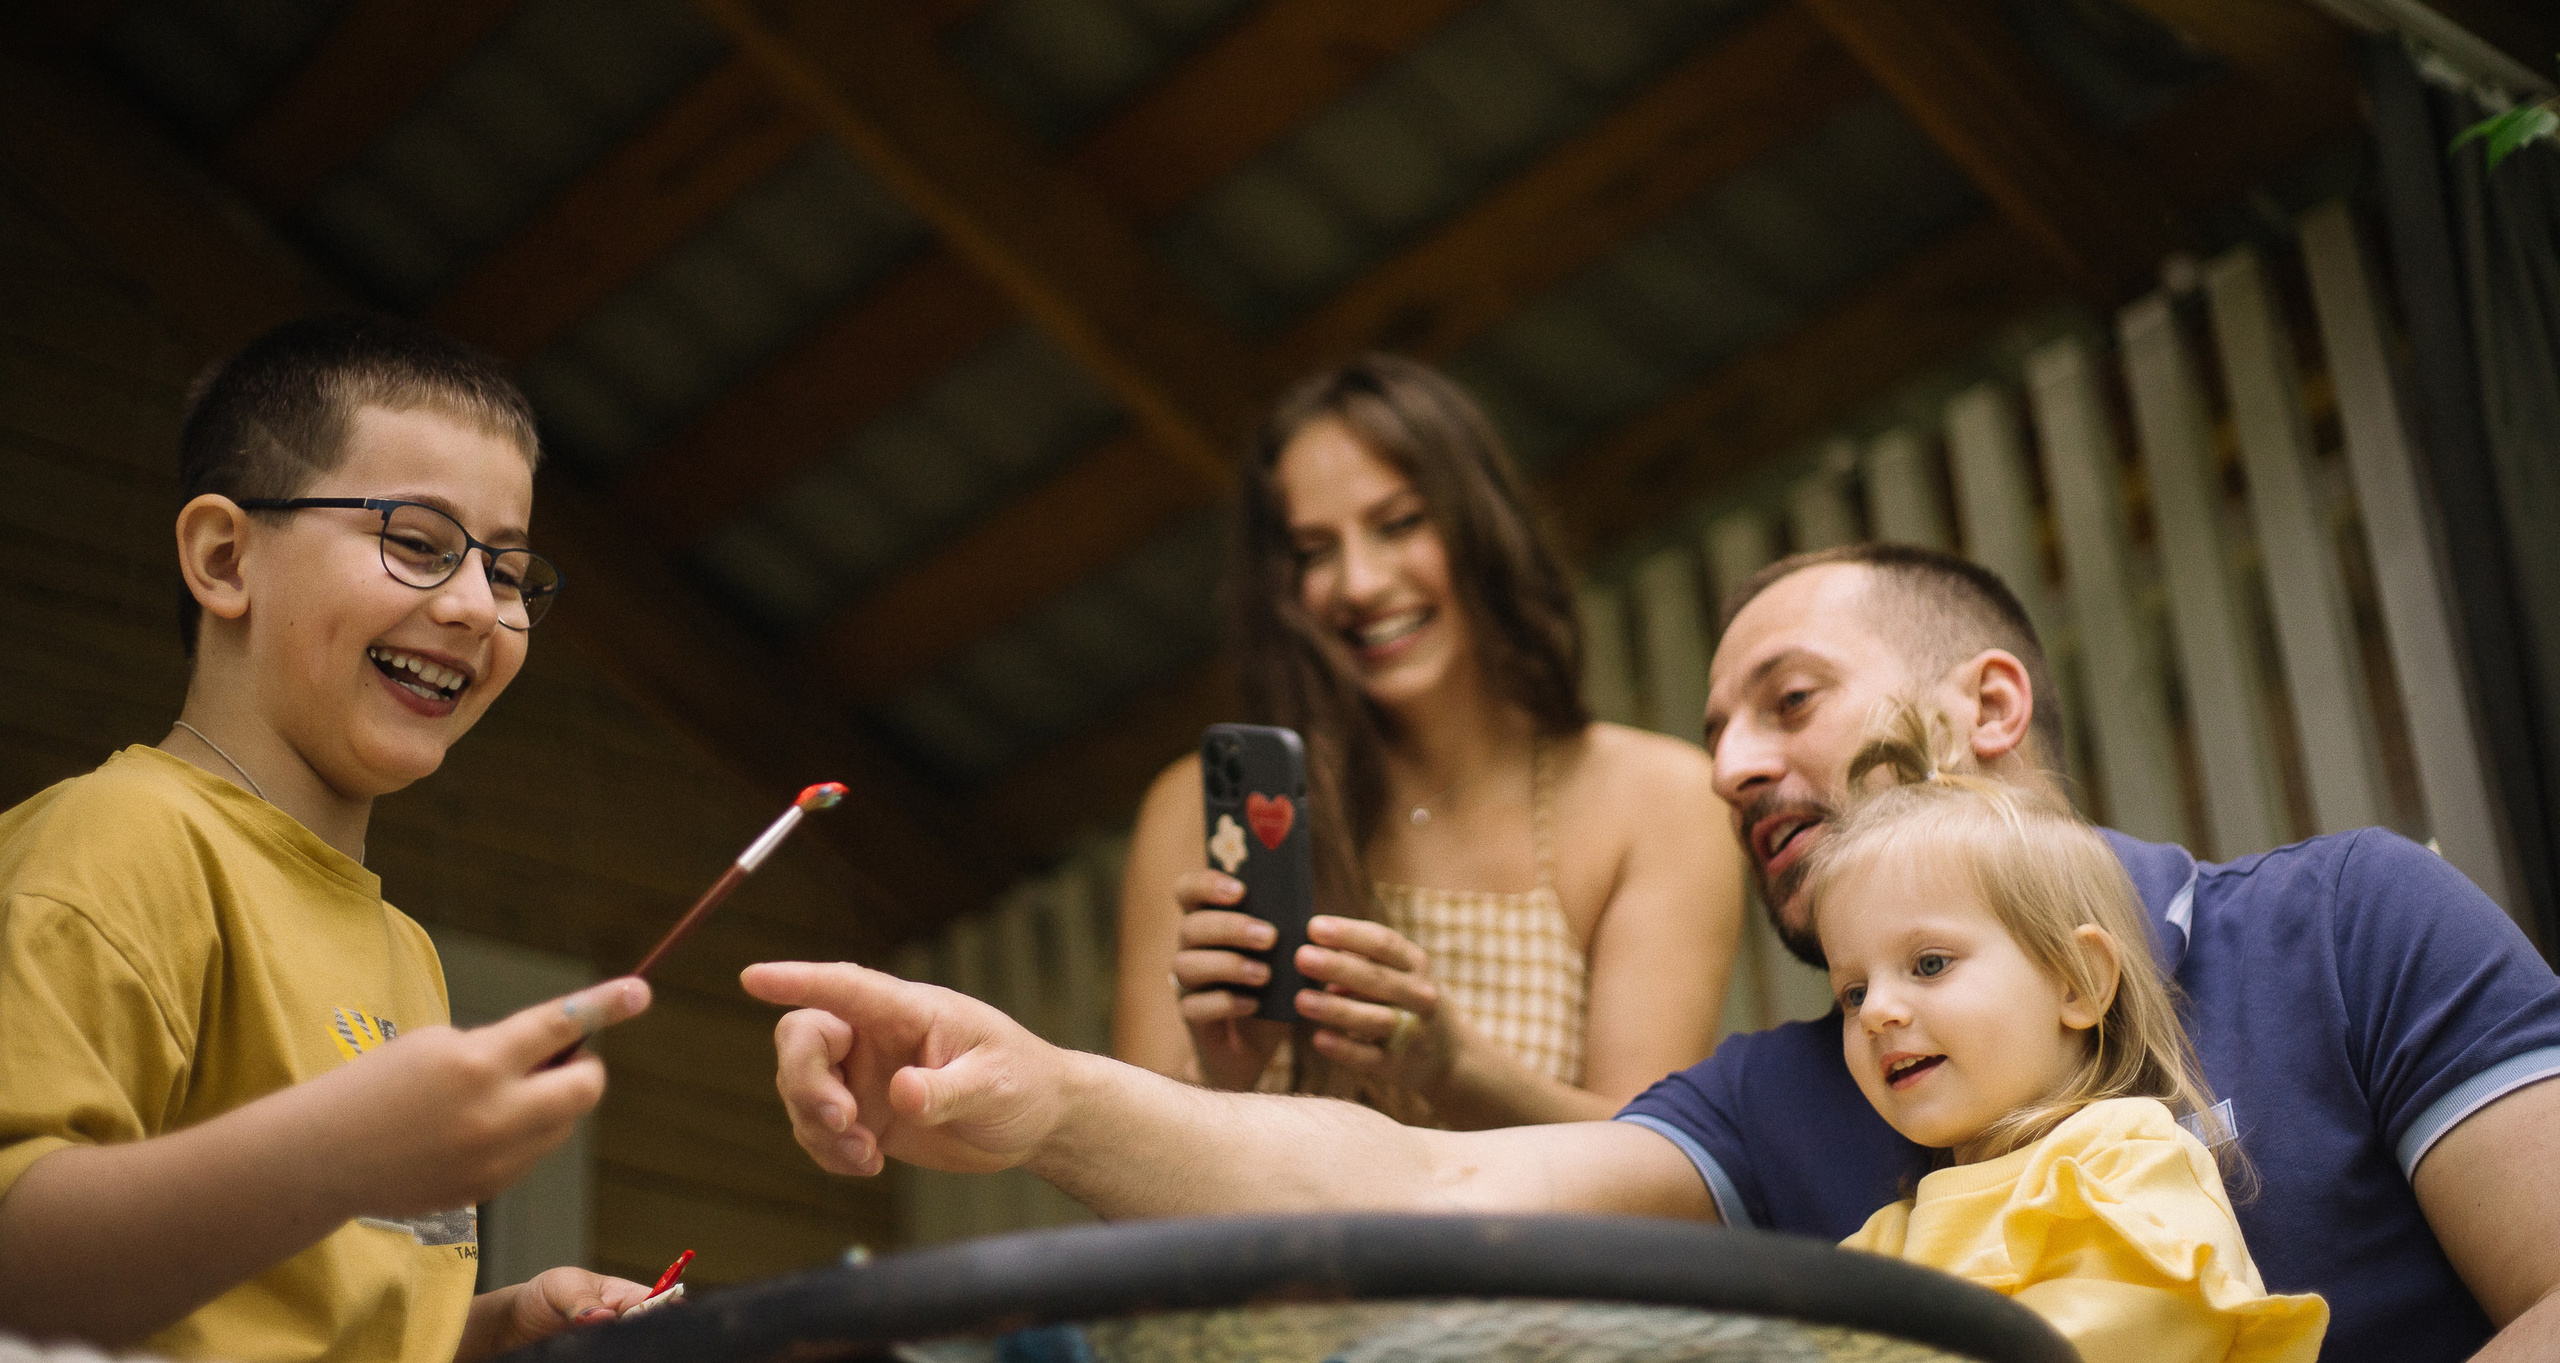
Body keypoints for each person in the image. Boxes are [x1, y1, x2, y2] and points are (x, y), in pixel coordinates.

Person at [749, 543, 2560, 1363]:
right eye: (1716, 738)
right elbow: (1423, 1172)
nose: (1734, 767)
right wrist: (1045, 1093)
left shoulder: (2347, 924)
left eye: (1788, 700)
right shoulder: (1787, 1095)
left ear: (1985, 700)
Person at [0, 317, 657, 1359]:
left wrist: (500, 1333)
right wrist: (341, 1155)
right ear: (223, 557)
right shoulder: (117, 841)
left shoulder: (408, 953)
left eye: (508, 572)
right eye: (416, 543)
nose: (478, 608)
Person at [1114, 356, 1743, 1125]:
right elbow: (1131, 1205)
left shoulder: (1658, 799)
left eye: (1399, 523)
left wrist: (1452, 1066)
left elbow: (1654, 1175)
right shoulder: (1202, 812)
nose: (1360, 583)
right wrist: (1218, 1075)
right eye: (1314, 551)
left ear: (1481, 524)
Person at [1816, 705, 2323, 1363]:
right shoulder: (1888, 1237)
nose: (1877, 1009)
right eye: (1852, 992)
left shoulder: (2123, 1163)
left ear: (2077, 981)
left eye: (1929, 963)